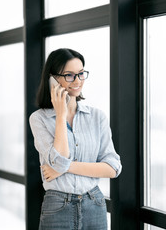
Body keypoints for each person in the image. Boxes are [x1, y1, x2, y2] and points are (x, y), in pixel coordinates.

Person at [29, 48, 122, 229]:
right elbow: (58, 161)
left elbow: (113, 168)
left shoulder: (97, 116)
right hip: (57, 206)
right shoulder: (39, 119)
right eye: (70, 75)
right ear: (52, 79)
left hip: (94, 203)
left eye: (81, 74)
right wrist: (61, 115)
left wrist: (66, 168)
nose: (78, 81)